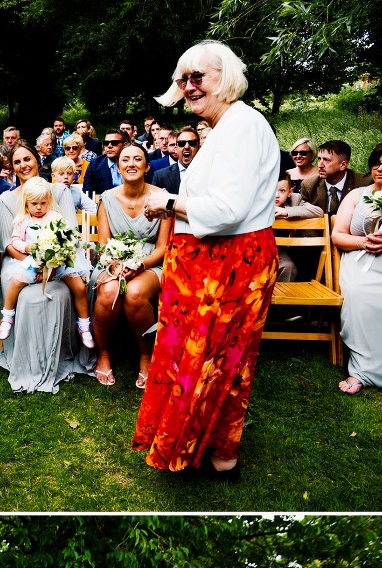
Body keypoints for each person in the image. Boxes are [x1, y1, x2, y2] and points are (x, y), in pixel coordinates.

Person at [134, 40, 280, 481]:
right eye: (183, 79)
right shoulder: (227, 126)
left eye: (199, 76)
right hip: (209, 264)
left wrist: (168, 203)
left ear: (227, 76)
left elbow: (227, 210)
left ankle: (215, 454)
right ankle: (209, 450)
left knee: (218, 363)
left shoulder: (242, 125)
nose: (189, 86)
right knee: (207, 362)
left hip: (230, 265)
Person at [0, 142, 93, 393]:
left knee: (75, 285)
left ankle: (80, 331)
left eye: (27, 159)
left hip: (59, 258)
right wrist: (34, 262)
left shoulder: (57, 192)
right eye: (17, 162)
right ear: (12, 167)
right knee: (18, 284)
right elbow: (9, 244)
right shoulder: (8, 200)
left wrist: (52, 262)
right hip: (23, 259)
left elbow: (68, 235)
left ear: (37, 160)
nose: (23, 165)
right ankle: (10, 324)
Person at [91, 143, 170, 388]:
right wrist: (116, 266)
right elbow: (104, 245)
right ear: (118, 166)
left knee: (134, 293)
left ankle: (146, 356)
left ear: (147, 166)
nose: (131, 164)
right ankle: (103, 353)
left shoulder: (162, 198)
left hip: (150, 263)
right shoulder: (107, 199)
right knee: (109, 291)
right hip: (113, 261)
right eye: (125, 160)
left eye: (138, 159)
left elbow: (162, 247)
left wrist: (140, 265)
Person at [0, 177, 93, 348]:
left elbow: (66, 239)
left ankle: (84, 325)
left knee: (78, 286)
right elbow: (15, 241)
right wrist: (27, 247)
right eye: (34, 204)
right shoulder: (23, 220)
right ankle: (8, 316)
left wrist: (57, 255)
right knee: (16, 281)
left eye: (43, 203)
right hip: (34, 260)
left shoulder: (55, 217)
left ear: (49, 201)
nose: (39, 207)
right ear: (26, 204)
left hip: (58, 262)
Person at [331, 140, 382, 396]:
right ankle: (362, 370)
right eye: (376, 163)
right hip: (359, 260)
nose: (380, 169)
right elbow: (338, 235)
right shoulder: (357, 195)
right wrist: (363, 242)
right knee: (358, 293)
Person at [151, 126, 200, 194]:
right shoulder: (160, 176)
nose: (186, 147)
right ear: (176, 148)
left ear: (199, 147)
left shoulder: (209, 173)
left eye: (192, 143)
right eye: (181, 143)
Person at [82, 130, 127, 196]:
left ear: (124, 145)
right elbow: (88, 192)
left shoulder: (133, 163)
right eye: (106, 143)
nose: (109, 146)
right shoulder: (95, 164)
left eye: (114, 143)